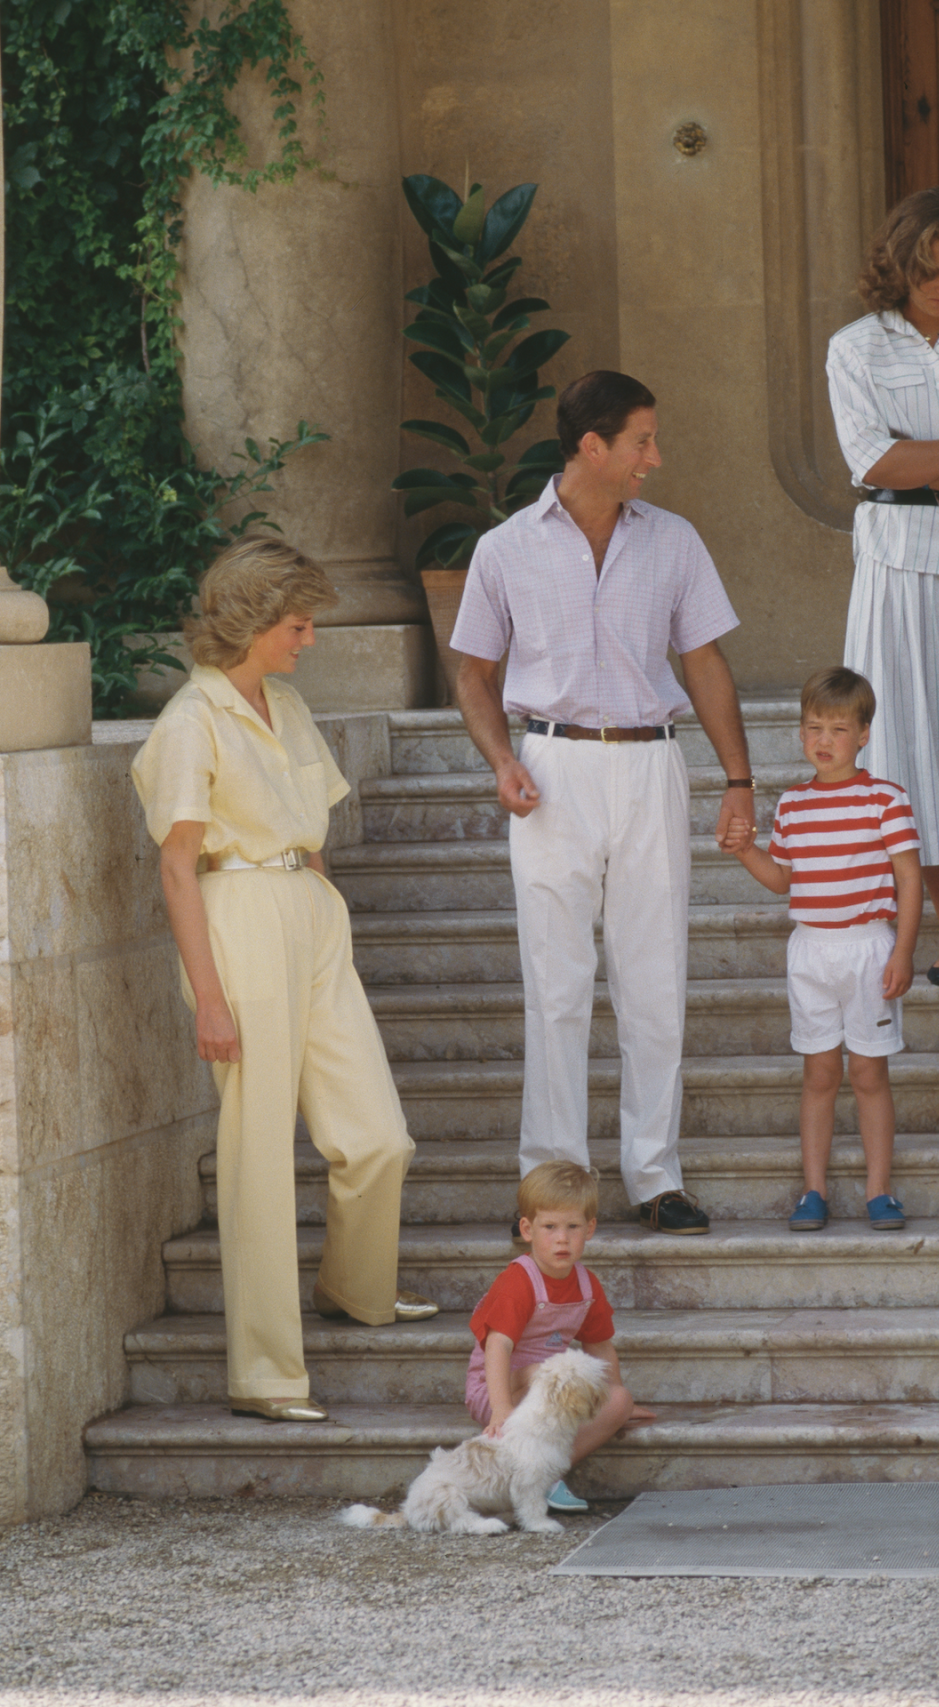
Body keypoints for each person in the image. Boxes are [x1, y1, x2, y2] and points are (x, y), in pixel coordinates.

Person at [131, 536, 437, 1424]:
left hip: (310, 909)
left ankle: (356, 1288)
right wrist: (211, 999)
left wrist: (322, 906)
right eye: (298, 625)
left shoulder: (288, 703)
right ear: (255, 621)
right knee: (258, 1154)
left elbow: (313, 820)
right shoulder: (191, 722)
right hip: (240, 920)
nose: (308, 639)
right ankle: (265, 1372)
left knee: (378, 1134)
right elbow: (178, 869)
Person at [451, 370, 756, 1236]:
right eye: (642, 442)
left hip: (650, 764)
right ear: (594, 446)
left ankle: (655, 1174)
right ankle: (553, 1182)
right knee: (556, 981)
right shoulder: (505, 547)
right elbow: (473, 671)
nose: (654, 458)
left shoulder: (674, 541)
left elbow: (703, 662)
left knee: (655, 975)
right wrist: (501, 756)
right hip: (550, 770)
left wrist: (738, 779)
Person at [722, 667, 922, 1231]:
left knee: (868, 1075)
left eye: (838, 728)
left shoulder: (886, 799)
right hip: (811, 952)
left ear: (863, 734)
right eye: (813, 727)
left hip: (867, 949)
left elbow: (908, 879)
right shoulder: (792, 805)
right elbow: (783, 880)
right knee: (818, 1075)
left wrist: (903, 951)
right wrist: (745, 850)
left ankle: (879, 1191)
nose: (824, 740)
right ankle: (814, 1190)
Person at [826, 184, 939, 985]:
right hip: (896, 561)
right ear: (899, 270)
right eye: (932, 276)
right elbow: (873, 463)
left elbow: (907, 455)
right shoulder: (855, 348)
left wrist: (928, 450)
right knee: (910, 747)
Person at [464, 1160, 655, 1512]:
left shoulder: (586, 1284)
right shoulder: (518, 1282)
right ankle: (537, 1475)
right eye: (549, 1226)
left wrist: (613, 1400)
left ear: (591, 1229)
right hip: (500, 1388)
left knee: (617, 1398)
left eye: (573, 1226)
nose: (562, 1238)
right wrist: (501, 1409)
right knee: (545, 1372)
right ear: (527, 1229)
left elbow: (599, 1346)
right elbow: (497, 1346)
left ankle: (543, 1468)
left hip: (550, 1391)